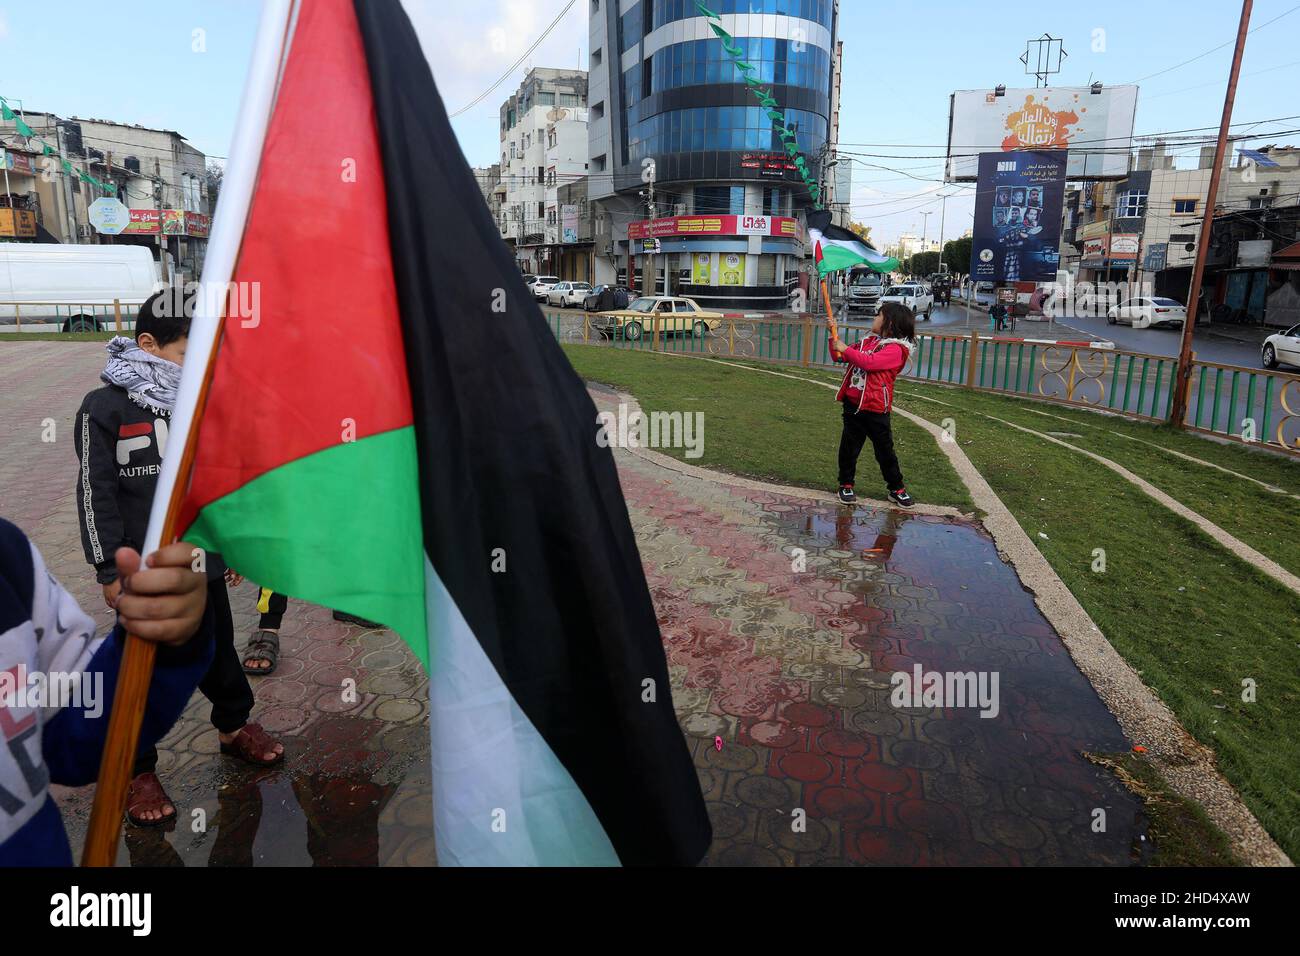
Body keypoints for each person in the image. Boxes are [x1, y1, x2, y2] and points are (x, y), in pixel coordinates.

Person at [74, 290, 284, 828]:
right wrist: (107, 569)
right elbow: (94, 493)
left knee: (216, 649)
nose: (204, 362)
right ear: (148, 344)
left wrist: (230, 545)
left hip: (200, 562)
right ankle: (136, 765)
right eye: (192, 350)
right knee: (142, 668)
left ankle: (234, 726)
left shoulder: (201, 403)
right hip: (142, 573)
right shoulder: (103, 409)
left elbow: (213, 483)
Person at [0, 522, 212, 866]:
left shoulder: (9, 558)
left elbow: (77, 726)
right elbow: (97, 494)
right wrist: (107, 569)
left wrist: (162, 639)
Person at [829, 302, 916, 509]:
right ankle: (846, 484)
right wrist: (833, 336)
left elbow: (869, 363)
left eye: (879, 315)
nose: (874, 318)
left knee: (885, 451)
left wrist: (845, 349)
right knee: (849, 448)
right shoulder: (867, 342)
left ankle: (896, 488)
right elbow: (840, 355)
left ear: (890, 323)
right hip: (853, 406)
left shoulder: (896, 350)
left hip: (876, 409)